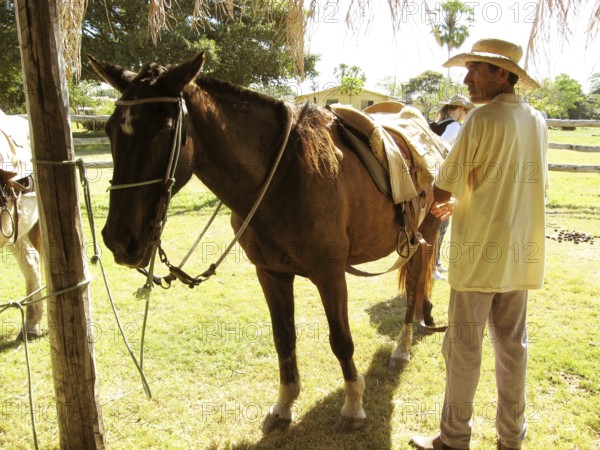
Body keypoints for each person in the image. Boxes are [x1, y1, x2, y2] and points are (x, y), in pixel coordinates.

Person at [409, 38, 548, 450]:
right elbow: (512, 184)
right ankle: (512, 438)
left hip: (477, 257)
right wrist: (463, 197)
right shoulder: (537, 121)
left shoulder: (480, 121)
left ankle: (453, 439)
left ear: (502, 75)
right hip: (520, 255)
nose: (467, 79)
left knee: (463, 349)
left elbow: (440, 189)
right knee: (512, 348)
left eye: (476, 70)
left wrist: (448, 199)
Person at [430, 94, 475, 280]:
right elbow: (445, 149)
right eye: (464, 112)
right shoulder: (455, 126)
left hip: (428, 176)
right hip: (442, 178)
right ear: (461, 110)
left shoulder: (434, 124)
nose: (464, 116)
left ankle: (436, 261)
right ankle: (431, 265)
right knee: (439, 224)